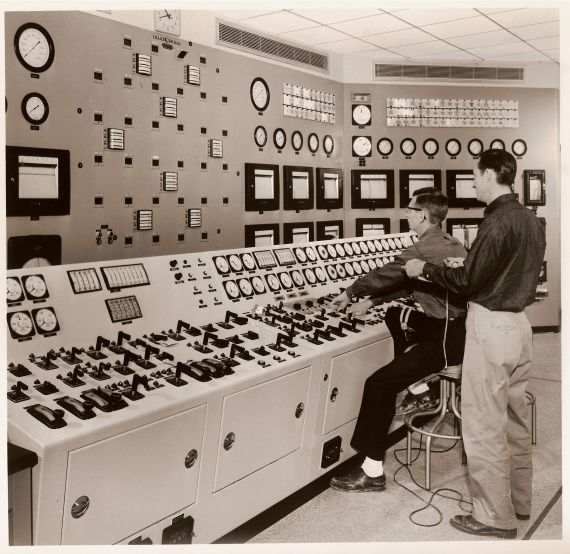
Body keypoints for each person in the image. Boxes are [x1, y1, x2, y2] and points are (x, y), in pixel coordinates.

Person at [404, 149, 546, 540]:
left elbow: (469, 282)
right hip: (520, 325)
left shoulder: (496, 221)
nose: (472, 183)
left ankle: (494, 517)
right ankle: (518, 503)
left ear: (488, 174)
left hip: (492, 328)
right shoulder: (530, 220)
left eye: (474, 176)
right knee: (515, 421)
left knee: (483, 424)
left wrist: (426, 269)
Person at [328, 187, 467, 493]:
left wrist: (351, 292)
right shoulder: (451, 242)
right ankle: (420, 389)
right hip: (455, 330)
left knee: (379, 384)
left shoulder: (423, 248)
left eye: (409, 209)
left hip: (445, 340)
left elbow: (387, 274)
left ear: (422, 215)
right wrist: (373, 303)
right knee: (396, 315)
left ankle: (372, 470)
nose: (405, 214)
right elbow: (410, 283)